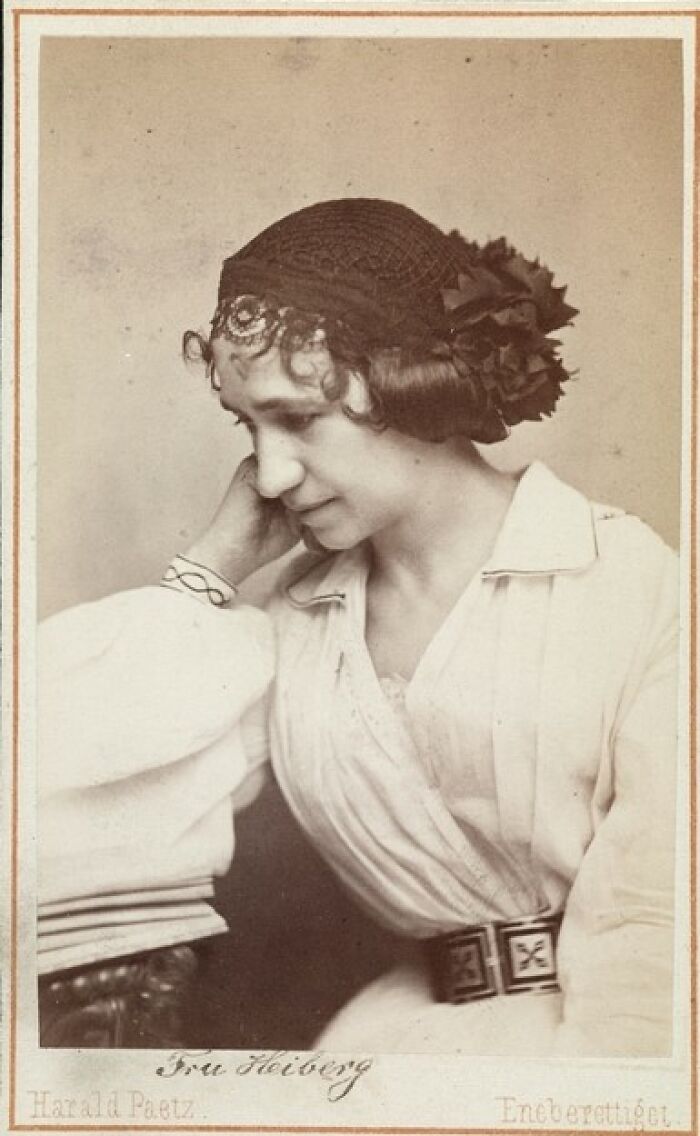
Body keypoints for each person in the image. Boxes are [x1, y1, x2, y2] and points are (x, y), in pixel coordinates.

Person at [39, 198, 678, 1057]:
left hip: (617, 1055)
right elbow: (54, 769)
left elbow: (661, 927)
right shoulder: (295, 622)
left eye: (299, 421)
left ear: (414, 379)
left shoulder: (631, 589)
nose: (267, 474)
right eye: (248, 427)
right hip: (392, 1050)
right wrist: (212, 567)